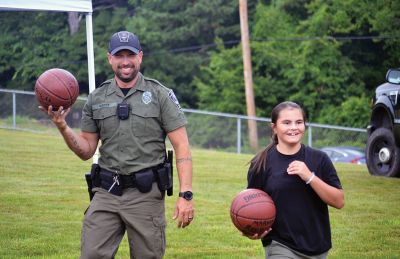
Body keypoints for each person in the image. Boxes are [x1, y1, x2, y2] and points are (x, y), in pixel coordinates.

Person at [40, 31, 194, 259]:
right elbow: (86, 150)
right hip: (106, 192)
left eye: (130, 55)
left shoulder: (160, 95)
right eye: (119, 55)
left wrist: (186, 195)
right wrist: (62, 125)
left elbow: (182, 147)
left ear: (140, 57)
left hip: (145, 194)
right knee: (91, 254)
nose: (125, 62)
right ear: (109, 58)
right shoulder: (97, 98)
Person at [245, 101, 344, 259]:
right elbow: (250, 206)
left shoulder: (320, 159)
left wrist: (310, 176)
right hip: (280, 245)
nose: (293, 127)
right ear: (274, 128)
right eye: (286, 123)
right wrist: (252, 230)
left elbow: (339, 201)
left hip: (318, 246)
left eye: (299, 122)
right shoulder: (261, 163)